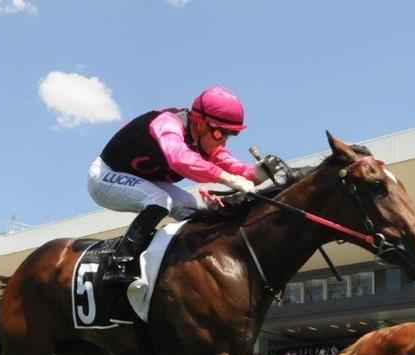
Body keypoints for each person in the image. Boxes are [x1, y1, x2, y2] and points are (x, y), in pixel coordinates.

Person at [87, 86, 277, 283]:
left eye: (229, 135)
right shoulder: (168, 123)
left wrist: (256, 174)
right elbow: (179, 158)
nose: (223, 142)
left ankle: (182, 260)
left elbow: (233, 166)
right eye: (220, 133)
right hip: (104, 176)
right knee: (160, 199)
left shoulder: (205, 139)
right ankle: (119, 264)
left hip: (145, 180)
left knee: (188, 204)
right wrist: (230, 179)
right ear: (201, 124)